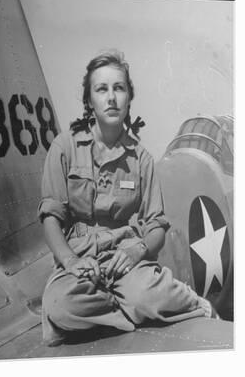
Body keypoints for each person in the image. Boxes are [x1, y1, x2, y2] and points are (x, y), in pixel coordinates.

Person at [38, 51, 214, 346]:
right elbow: (51, 217)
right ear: (89, 100)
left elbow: (156, 225)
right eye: (101, 89)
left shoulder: (141, 158)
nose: (111, 98)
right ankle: (134, 308)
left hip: (125, 257)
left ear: (129, 97)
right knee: (61, 306)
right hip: (79, 259)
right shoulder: (64, 146)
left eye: (119, 88)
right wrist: (69, 261)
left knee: (148, 294)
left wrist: (137, 251)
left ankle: (191, 302)